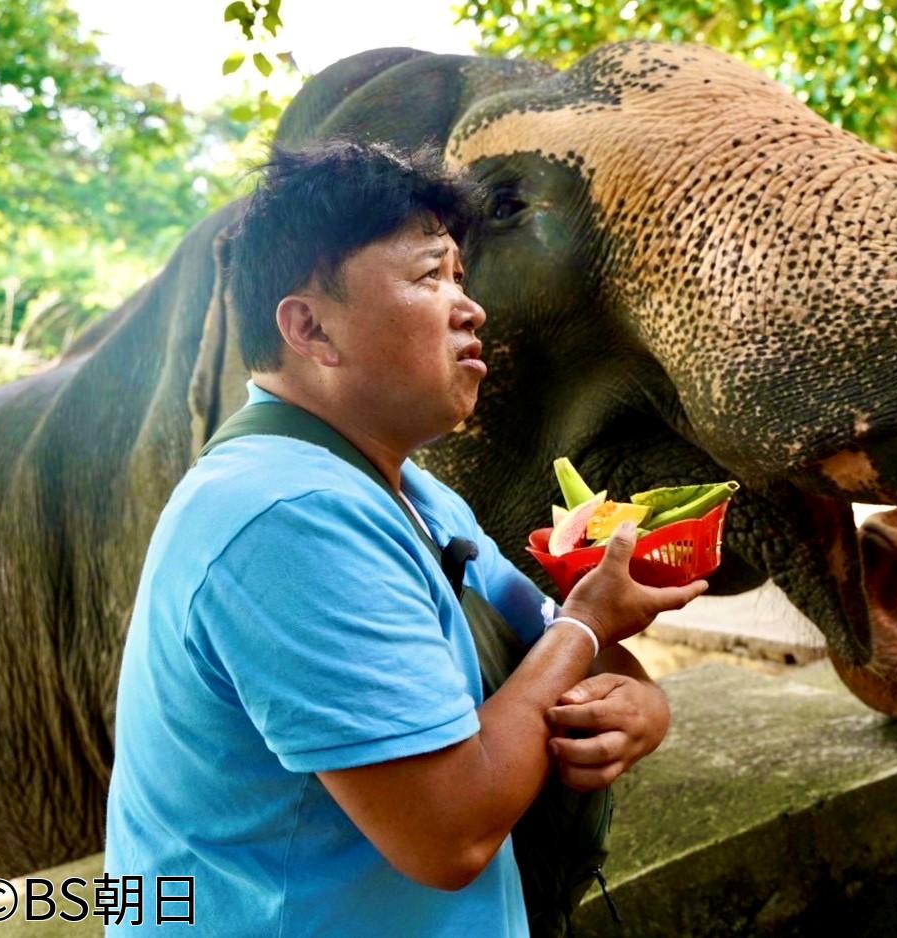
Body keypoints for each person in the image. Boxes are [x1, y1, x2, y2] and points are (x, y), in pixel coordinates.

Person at [103, 141, 707, 936]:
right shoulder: (283, 514)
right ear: (310, 327)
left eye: (461, 276)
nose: (470, 307)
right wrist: (590, 623)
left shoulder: (414, 494)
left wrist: (641, 705)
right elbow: (448, 832)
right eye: (429, 277)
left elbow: (552, 653)